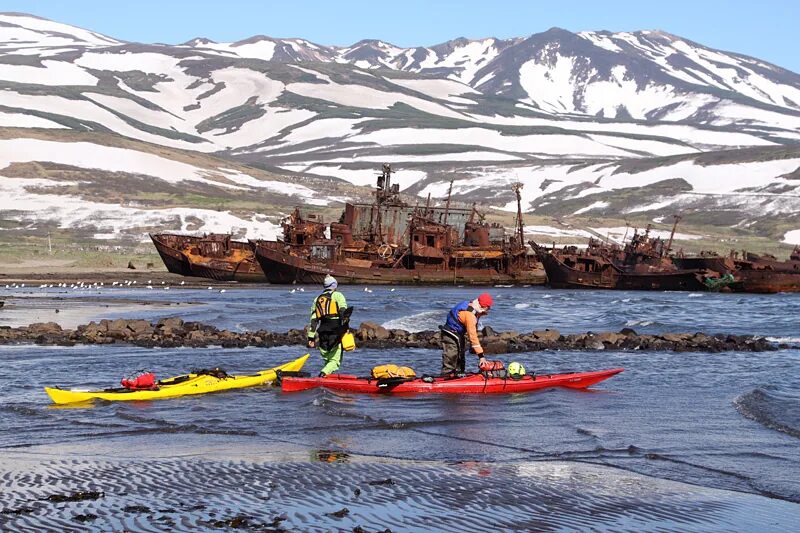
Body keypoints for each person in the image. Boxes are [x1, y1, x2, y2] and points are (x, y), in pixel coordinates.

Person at [307, 275, 351, 377]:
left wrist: (311, 337)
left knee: (327, 360)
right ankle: (322, 375)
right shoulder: (338, 295)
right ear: (334, 285)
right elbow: (343, 313)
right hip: (335, 332)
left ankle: (325, 385)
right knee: (335, 362)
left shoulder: (317, 299)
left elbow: (313, 320)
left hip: (322, 333)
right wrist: (346, 328)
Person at [439, 293, 493, 375]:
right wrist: (481, 357)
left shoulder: (473, 307)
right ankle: (446, 375)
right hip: (450, 333)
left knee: (461, 354)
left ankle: (459, 373)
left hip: (458, 332)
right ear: (485, 306)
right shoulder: (470, 315)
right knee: (452, 354)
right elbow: (473, 337)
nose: (489, 309)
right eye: (489, 307)